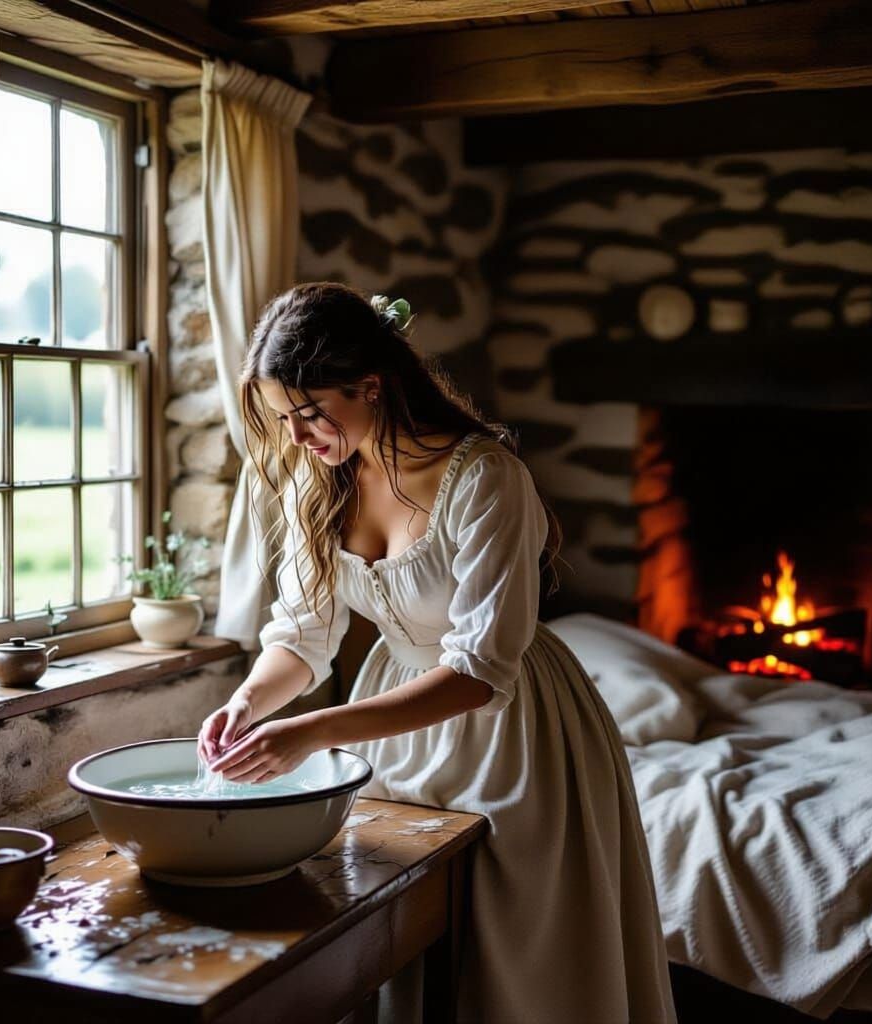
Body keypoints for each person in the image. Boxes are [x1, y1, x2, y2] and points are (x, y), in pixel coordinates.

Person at [198, 282, 677, 1024]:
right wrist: (249, 701)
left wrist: (316, 730)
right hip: (391, 723)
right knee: (392, 937)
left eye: (310, 413)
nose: (296, 437)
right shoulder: (315, 488)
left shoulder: (485, 477)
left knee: (514, 956)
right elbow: (301, 635)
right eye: (282, 419)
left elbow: (480, 672)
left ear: (371, 385)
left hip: (509, 729)